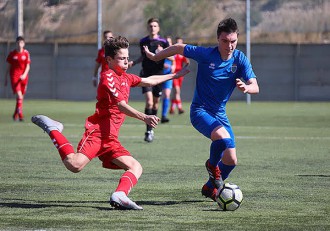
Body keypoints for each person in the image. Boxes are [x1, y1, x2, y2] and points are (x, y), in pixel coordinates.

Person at [31, 36, 189, 210]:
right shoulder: (108, 77)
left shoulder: (126, 78)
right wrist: (144, 117)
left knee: (135, 167)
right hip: (98, 133)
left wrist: (175, 75)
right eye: (122, 58)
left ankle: (120, 195)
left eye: (128, 58)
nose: (126, 61)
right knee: (75, 165)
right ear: (109, 60)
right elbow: (121, 106)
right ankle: (54, 129)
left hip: (111, 138)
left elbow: (149, 80)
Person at [144, 18, 259, 202]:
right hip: (200, 111)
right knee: (222, 138)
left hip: (220, 114)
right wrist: (156, 57)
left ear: (237, 38)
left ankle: (209, 187)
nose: (229, 46)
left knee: (231, 160)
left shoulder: (240, 59)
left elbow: (255, 86)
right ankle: (212, 166)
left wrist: (246, 87)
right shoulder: (206, 54)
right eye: (225, 41)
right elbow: (179, 48)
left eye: (233, 41)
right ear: (217, 39)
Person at [130, 18, 169, 142]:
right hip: (146, 74)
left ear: (158, 28)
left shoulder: (163, 42)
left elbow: (171, 56)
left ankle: (151, 128)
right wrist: (134, 62)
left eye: (155, 26)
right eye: (151, 26)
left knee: (156, 103)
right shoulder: (143, 41)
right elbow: (143, 56)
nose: (153, 28)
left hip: (158, 75)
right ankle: (148, 131)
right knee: (149, 102)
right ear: (148, 27)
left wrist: (162, 53)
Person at [5, 36, 31, 121]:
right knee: (19, 95)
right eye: (18, 43)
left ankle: (15, 114)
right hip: (14, 77)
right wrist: (5, 77)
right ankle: (20, 115)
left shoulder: (26, 53)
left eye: (21, 43)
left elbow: (28, 66)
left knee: (21, 97)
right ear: (16, 44)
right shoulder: (12, 54)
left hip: (24, 77)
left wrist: (24, 75)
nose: (20, 44)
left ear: (24, 44)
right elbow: (8, 67)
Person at [170, 37, 190, 115]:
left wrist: (183, 69)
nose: (179, 44)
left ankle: (172, 108)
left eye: (180, 43)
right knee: (177, 91)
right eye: (177, 42)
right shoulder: (172, 52)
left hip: (180, 74)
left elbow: (187, 62)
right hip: (174, 74)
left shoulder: (182, 54)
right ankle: (180, 108)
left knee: (175, 92)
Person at [161, 36, 175, 123]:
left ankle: (164, 115)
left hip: (168, 75)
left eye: (169, 42)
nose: (168, 44)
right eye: (166, 42)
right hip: (158, 75)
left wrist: (172, 67)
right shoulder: (160, 51)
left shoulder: (173, 52)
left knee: (166, 95)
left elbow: (174, 62)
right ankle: (153, 114)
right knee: (157, 97)